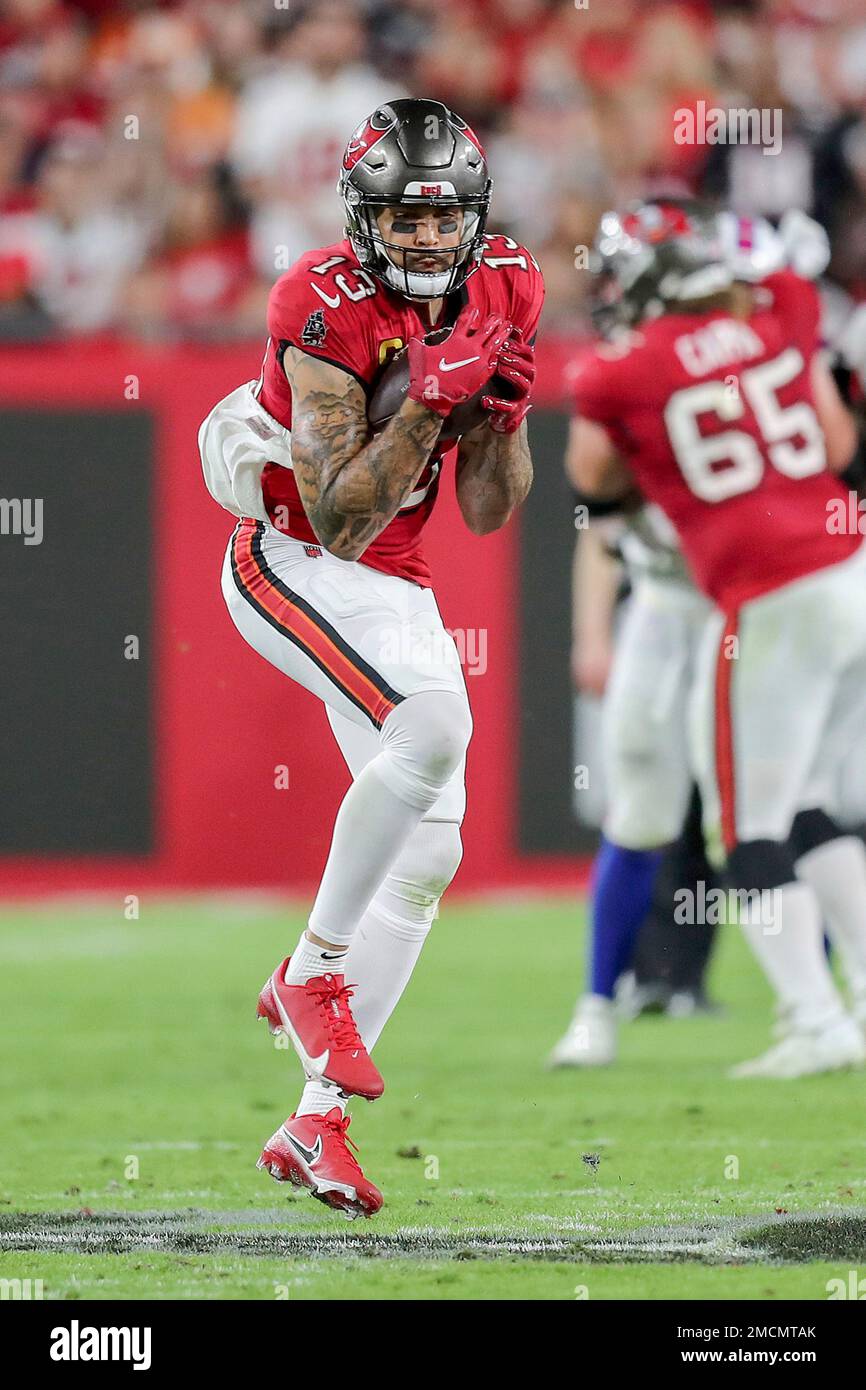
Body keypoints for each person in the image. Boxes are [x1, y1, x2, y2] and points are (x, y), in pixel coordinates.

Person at [200, 98, 544, 1216]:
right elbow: (338, 515)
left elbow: (490, 511)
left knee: (431, 844)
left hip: (389, 576)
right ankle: (310, 969)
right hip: (288, 553)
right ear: (362, 215)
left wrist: (495, 418)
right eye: (403, 216)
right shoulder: (321, 298)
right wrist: (425, 405)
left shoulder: (508, 281)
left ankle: (314, 1123)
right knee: (436, 725)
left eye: (445, 219)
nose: (428, 239)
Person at [568, 197, 866, 1079]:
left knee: (747, 828)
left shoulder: (612, 375)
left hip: (768, 596)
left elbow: (595, 477)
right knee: (817, 806)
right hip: (851, 569)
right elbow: (788, 295)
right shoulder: (784, 317)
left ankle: (816, 1019)